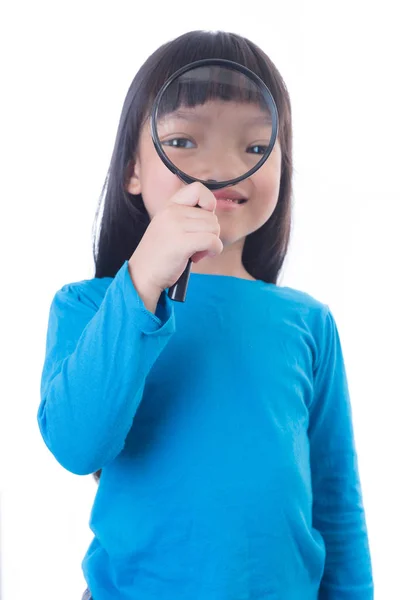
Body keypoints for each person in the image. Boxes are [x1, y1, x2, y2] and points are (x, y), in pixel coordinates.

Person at [37, 30, 374, 600]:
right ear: (132, 171)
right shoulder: (89, 305)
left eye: (253, 146)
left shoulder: (309, 322)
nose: (221, 167)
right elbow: (77, 444)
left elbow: (337, 504)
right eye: (184, 141)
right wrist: (142, 280)